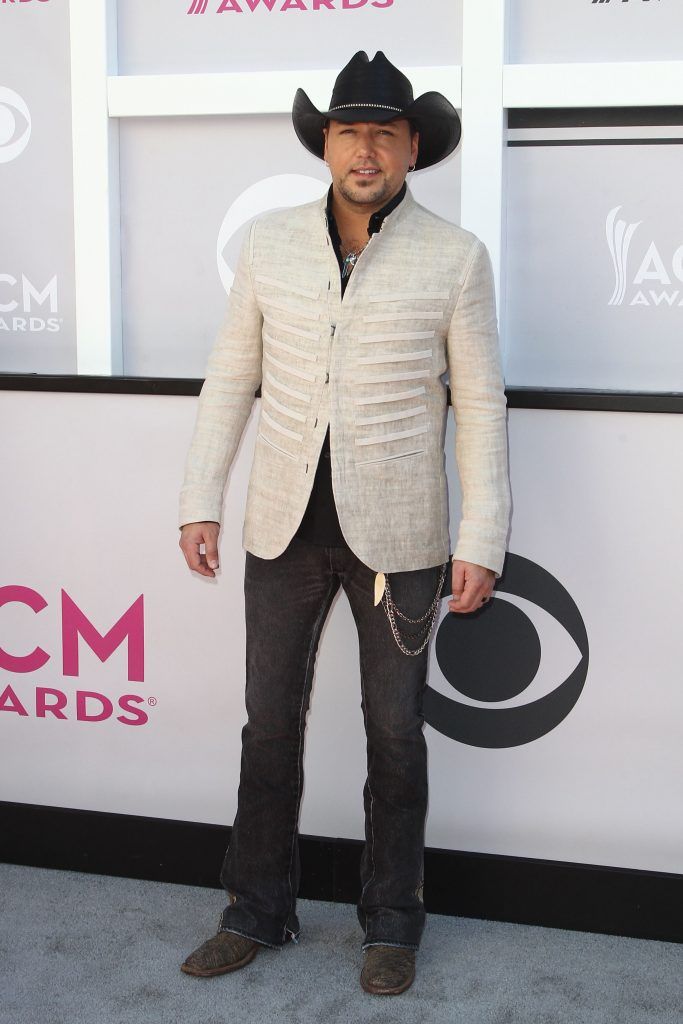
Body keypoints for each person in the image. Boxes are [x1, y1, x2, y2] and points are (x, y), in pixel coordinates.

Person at [177, 50, 510, 996]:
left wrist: (478, 538)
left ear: (413, 146)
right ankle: (255, 911)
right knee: (267, 729)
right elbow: (228, 378)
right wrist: (200, 498)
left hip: (400, 538)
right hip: (278, 528)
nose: (364, 149)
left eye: (384, 131)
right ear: (324, 142)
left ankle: (391, 923)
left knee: (395, 734)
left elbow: (480, 407)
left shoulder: (455, 257)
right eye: (346, 129)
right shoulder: (269, 244)